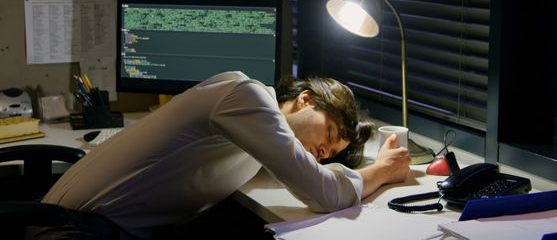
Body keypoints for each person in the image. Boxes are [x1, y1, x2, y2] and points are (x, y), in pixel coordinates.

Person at [35, 71, 410, 239]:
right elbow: (323, 192)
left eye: (330, 153)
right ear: (305, 99)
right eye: (327, 134)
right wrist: (381, 171)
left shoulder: (255, 137)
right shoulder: (245, 95)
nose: (322, 151)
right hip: (73, 232)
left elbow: (299, 168)